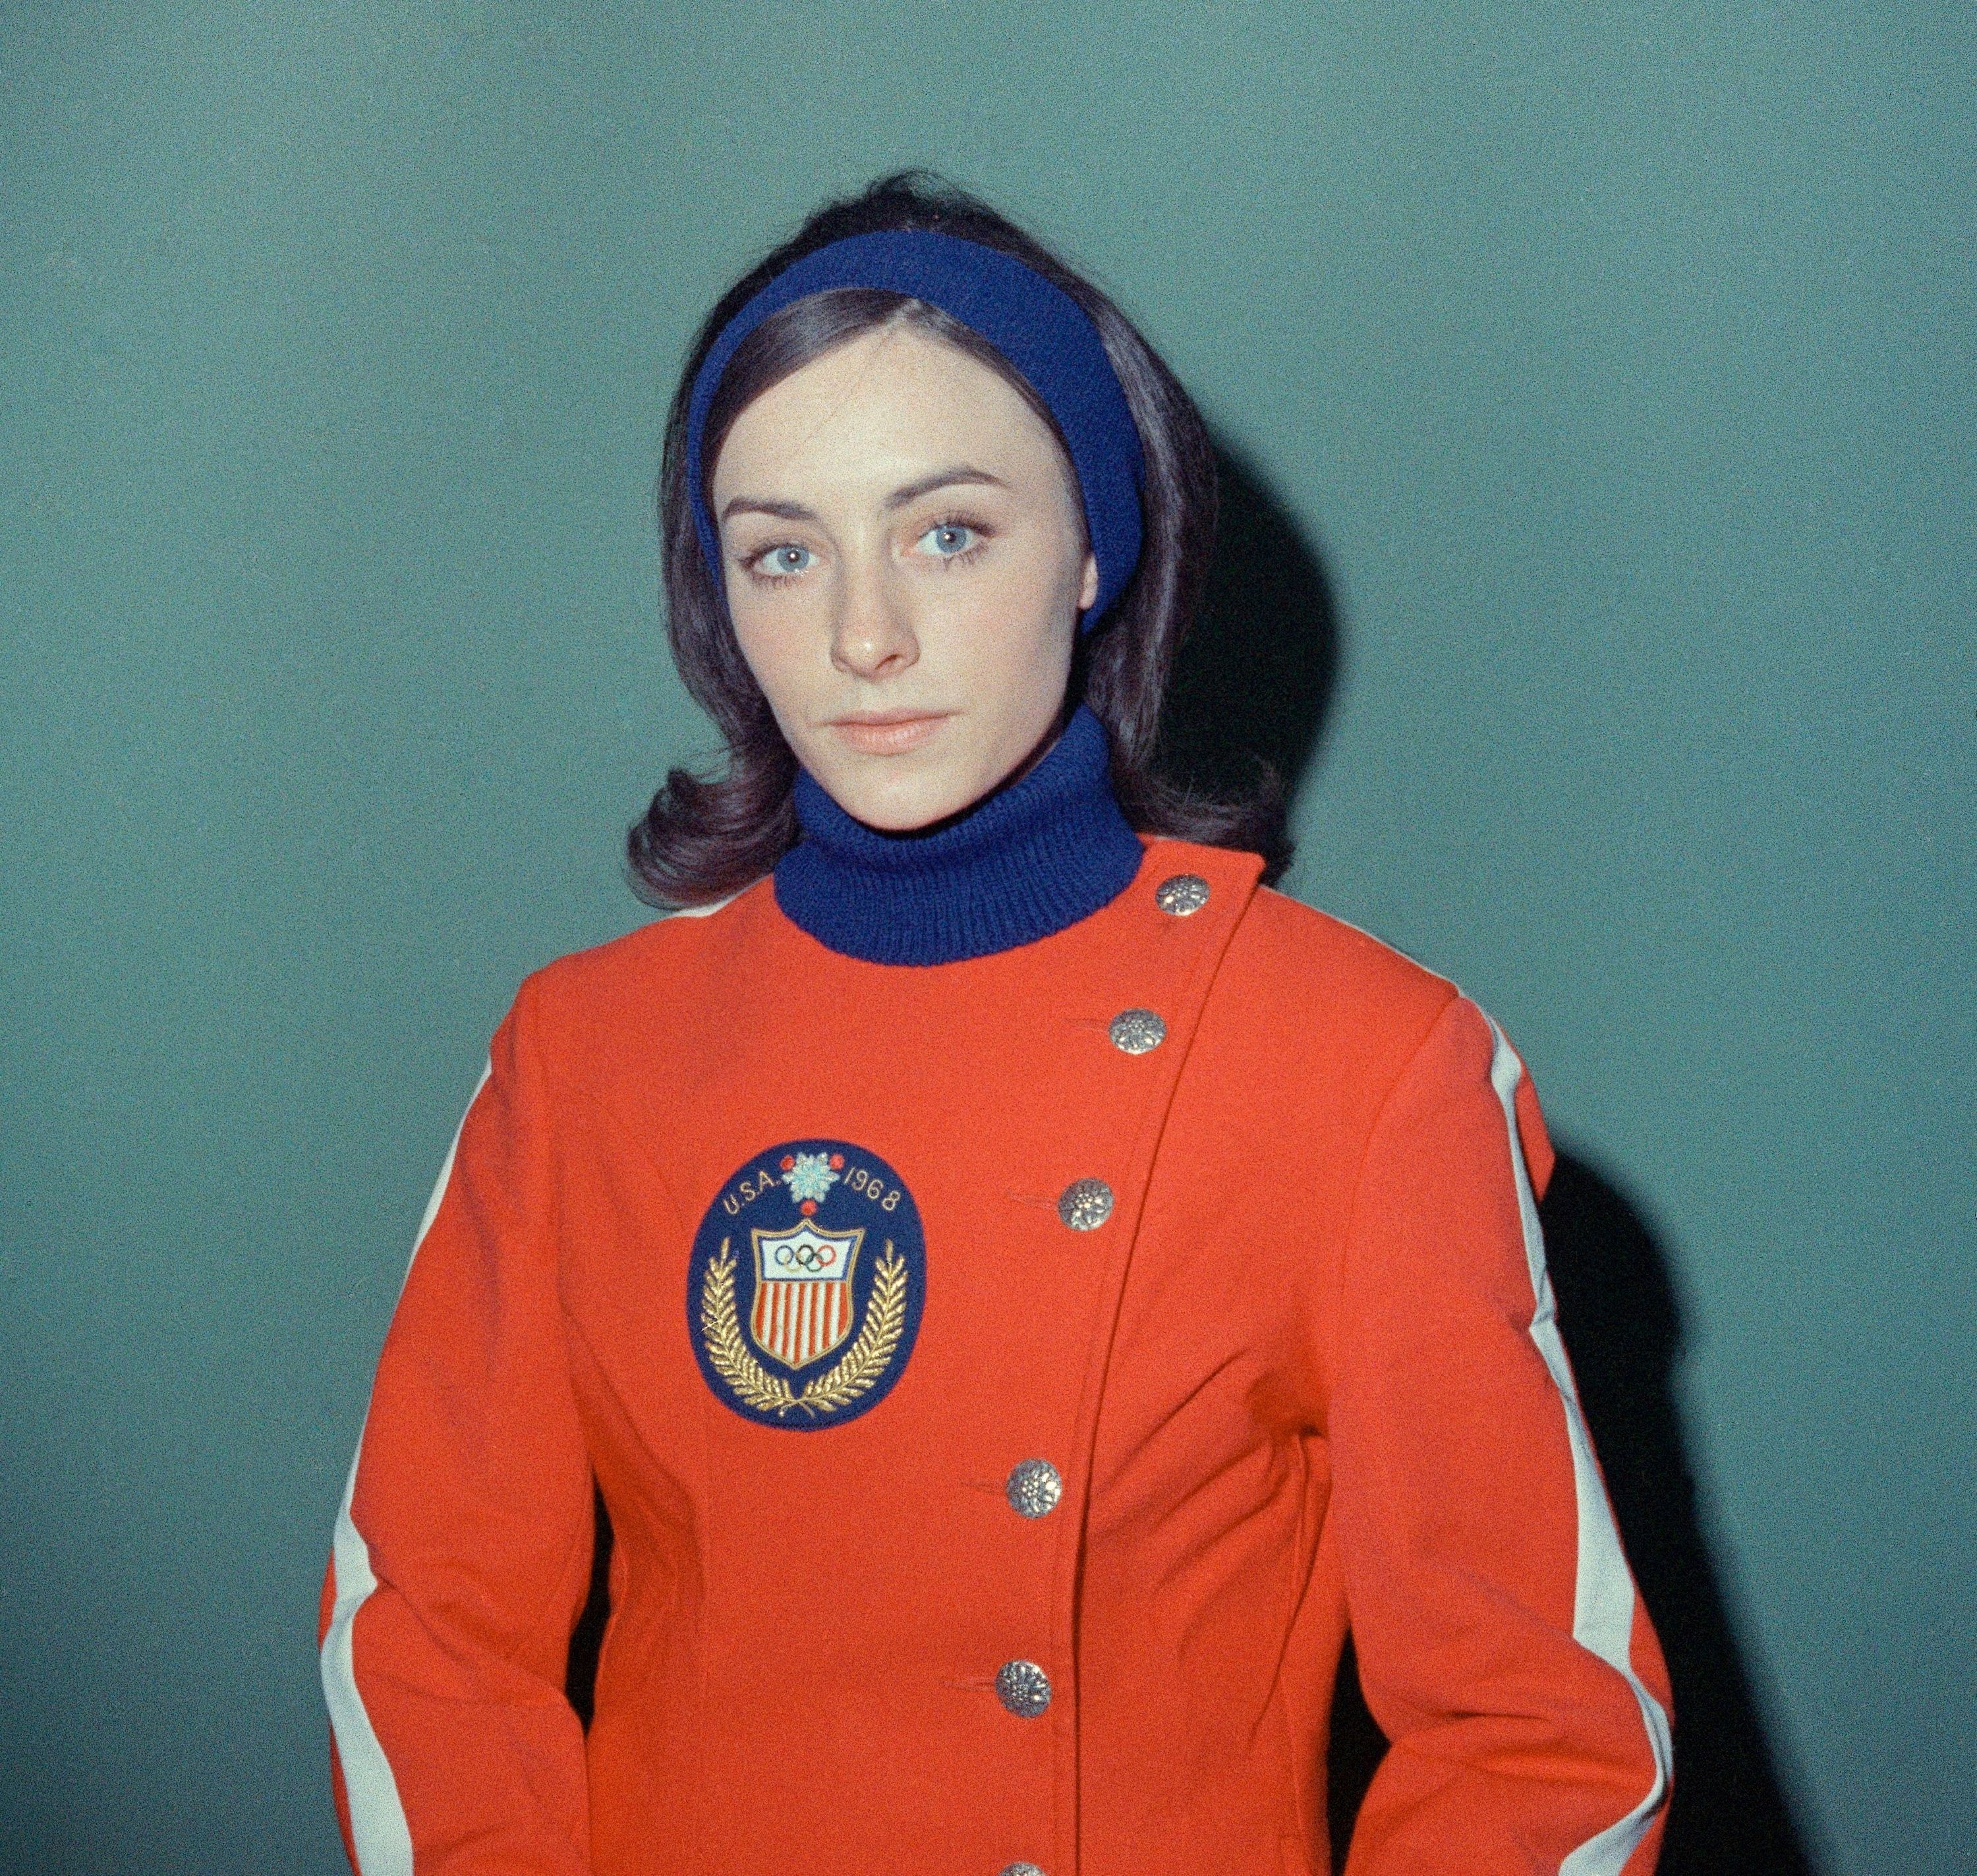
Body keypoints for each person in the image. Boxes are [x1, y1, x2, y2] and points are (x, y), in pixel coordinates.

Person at [318, 171, 1673, 1876]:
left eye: (948, 532)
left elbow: (1551, 1743)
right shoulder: (580, 1055)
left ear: (1099, 544)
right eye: (782, 552)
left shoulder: (1364, 1066)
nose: (864, 635)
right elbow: (423, 1630)